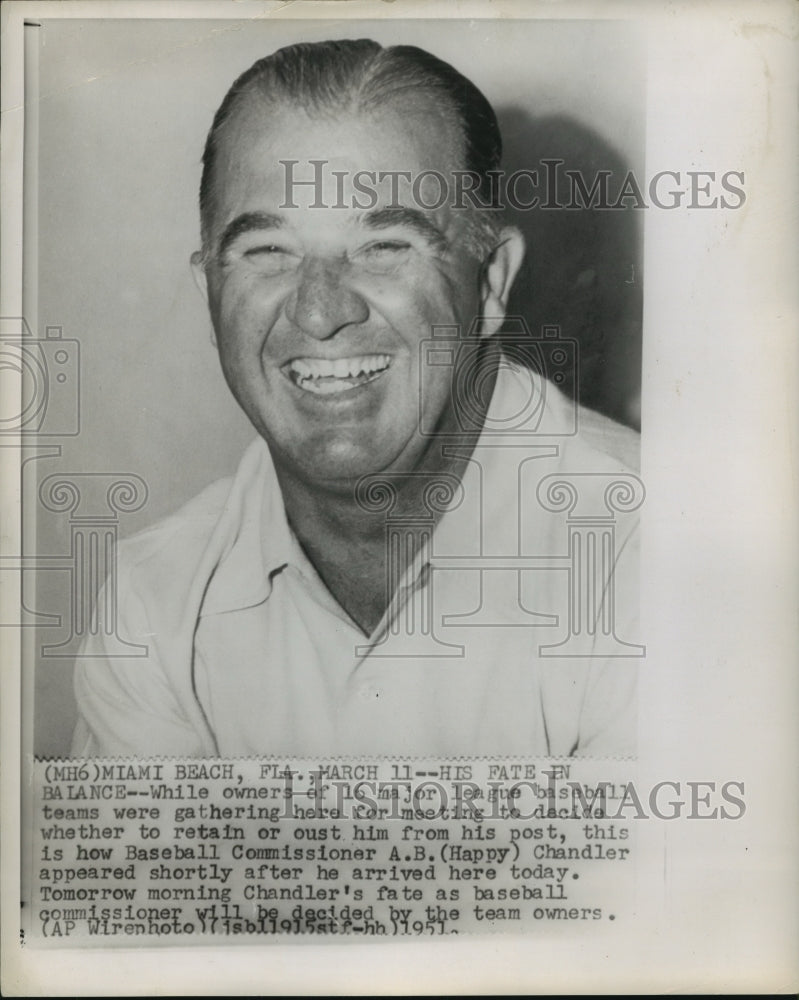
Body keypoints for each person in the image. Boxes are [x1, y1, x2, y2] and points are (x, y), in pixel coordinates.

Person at [71, 39, 642, 759]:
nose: (318, 311)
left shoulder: (652, 559)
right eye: (267, 251)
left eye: (384, 247)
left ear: (490, 283)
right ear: (208, 294)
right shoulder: (152, 603)